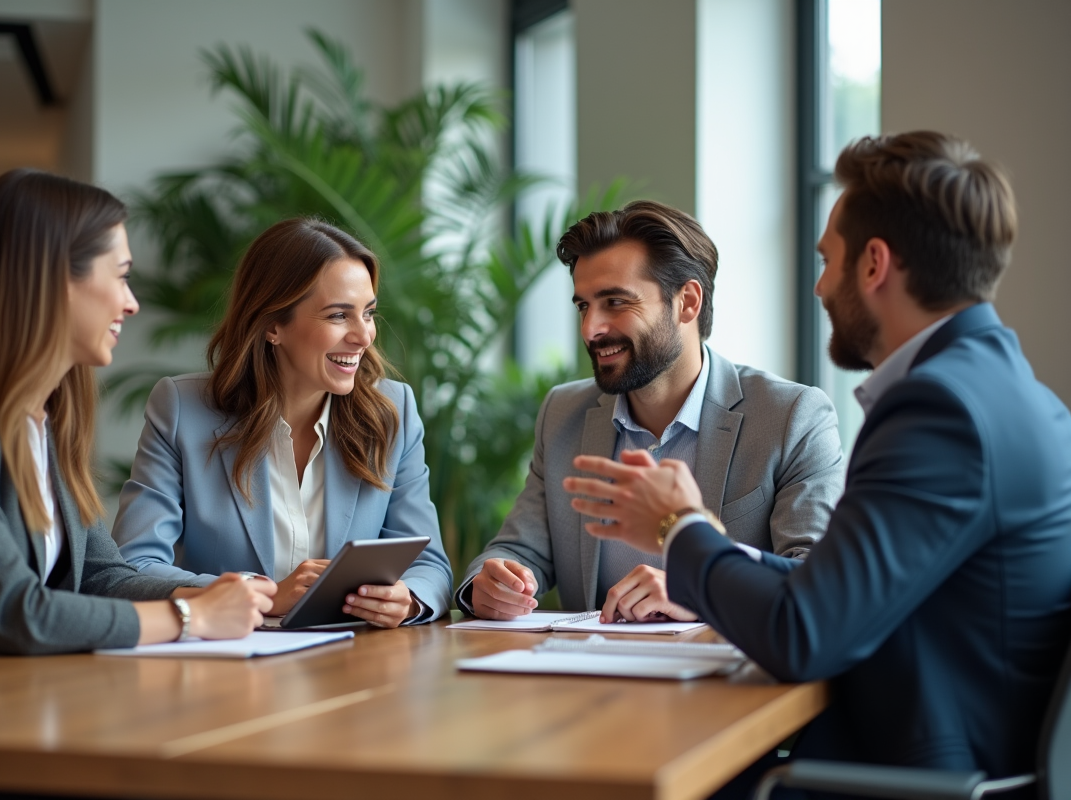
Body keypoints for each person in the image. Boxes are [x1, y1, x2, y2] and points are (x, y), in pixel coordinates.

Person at [569, 132, 1071, 778]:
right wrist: (716, 545)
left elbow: (802, 633)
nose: (819, 287)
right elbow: (839, 590)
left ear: (874, 266)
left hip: (897, 780)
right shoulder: (1011, 394)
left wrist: (679, 527)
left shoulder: (939, 412)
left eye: (827, 259)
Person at [0, 169, 276, 666]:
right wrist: (192, 619)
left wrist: (226, 594)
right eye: (122, 276)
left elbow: (102, 577)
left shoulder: (49, 414)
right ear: (54, 280)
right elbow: (15, 611)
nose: (132, 303)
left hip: (4, 695)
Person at [458, 200, 845, 622]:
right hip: (588, 679)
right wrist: (492, 583)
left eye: (615, 302)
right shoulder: (563, 413)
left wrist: (702, 587)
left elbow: (817, 581)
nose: (590, 329)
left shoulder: (791, 417)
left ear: (688, 302)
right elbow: (518, 549)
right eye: (584, 306)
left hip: (731, 682)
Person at [113, 218, 452, 628]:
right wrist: (264, 593)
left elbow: (430, 566)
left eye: (368, 313)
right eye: (338, 316)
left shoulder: (392, 411)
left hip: (353, 663)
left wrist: (408, 599)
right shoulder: (183, 409)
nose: (364, 336)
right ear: (273, 325)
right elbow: (134, 566)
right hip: (230, 669)